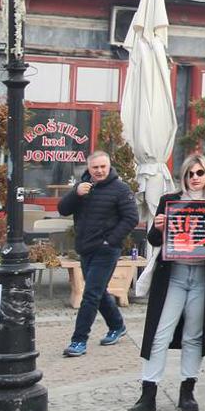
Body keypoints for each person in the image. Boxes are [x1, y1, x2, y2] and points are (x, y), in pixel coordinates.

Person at [129, 154, 205, 411]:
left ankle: (187, 389)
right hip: (174, 275)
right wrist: (157, 227)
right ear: (183, 176)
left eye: (199, 173)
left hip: (204, 277)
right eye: (190, 174)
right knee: (159, 333)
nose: (195, 178)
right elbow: (155, 239)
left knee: (194, 335)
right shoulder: (170, 201)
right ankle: (149, 391)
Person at [59, 150, 139, 358]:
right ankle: (117, 325)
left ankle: (78, 341)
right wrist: (76, 193)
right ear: (89, 168)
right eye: (95, 167)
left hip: (107, 250)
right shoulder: (82, 188)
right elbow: (62, 209)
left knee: (91, 294)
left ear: (109, 166)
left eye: (103, 166)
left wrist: (110, 241)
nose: (99, 171)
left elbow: (131, 218)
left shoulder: (121, 189)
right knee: (99, 292)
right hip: (86, 248)